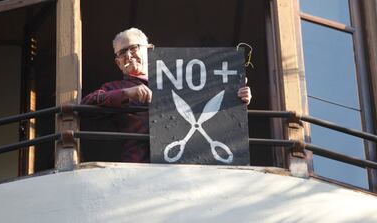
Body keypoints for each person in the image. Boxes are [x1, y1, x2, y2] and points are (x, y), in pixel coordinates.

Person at [82, 27, 252, 163]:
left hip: (192, 162)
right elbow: (86, 106)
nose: (128, 55)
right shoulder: (114, 87)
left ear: (149, 50)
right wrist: (126, 93)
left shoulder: (181, 78)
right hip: (139, 166)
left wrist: (235, 99)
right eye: (122, 52)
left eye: (133, 48)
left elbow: (206, 106)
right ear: (118, 62)